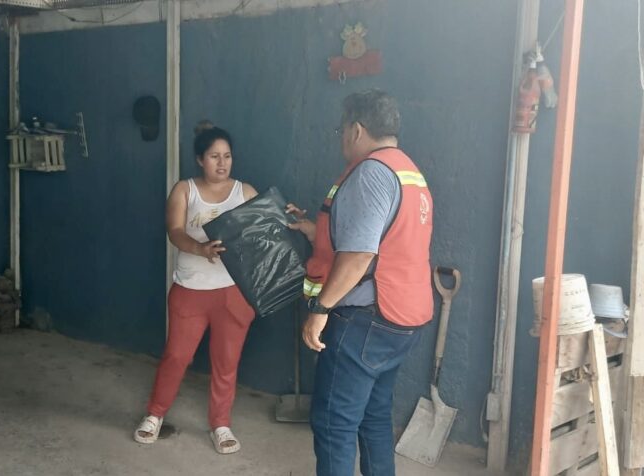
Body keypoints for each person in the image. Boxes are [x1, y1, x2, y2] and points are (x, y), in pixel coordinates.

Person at [287, 89, 434, 476]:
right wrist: (311, 229)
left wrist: (319, 310)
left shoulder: (370, 173)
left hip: (364, 320)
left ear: (356, 129)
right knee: (373, 419)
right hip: (402, 317)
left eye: (341, 128)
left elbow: (358, 257)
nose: (341, 138)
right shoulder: (407, 171)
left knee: (335, 425)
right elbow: (383, 240)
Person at [134, 121, 258, 455]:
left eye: (227, 156)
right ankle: (155, 414)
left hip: (233, 293)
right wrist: (201, 249)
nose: (222, 163)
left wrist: (288, 216)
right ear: (200, 159)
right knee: (177, 356)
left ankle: (221, 423)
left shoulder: (244, 192)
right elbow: (174, 231)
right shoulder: (184, 190)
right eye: (214, 156)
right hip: (190, 289)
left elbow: (266, 224)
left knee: (226, 361)